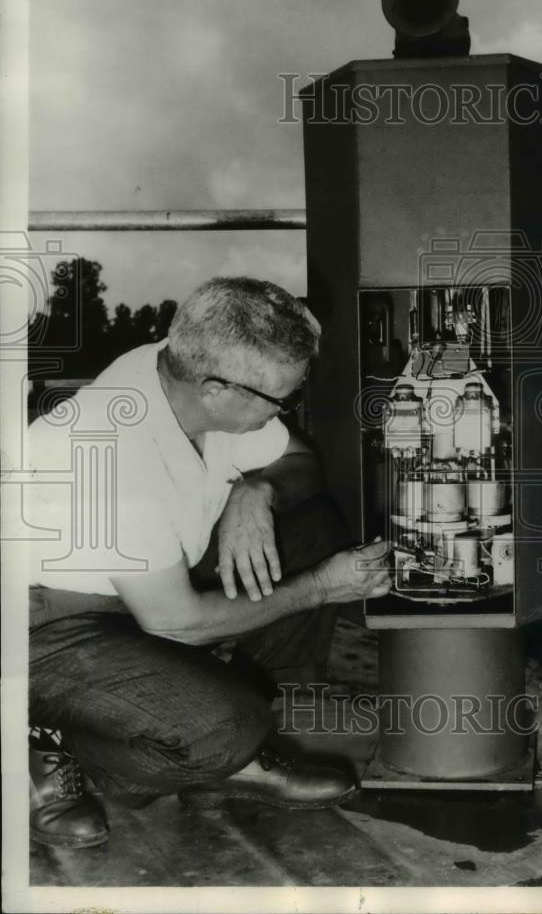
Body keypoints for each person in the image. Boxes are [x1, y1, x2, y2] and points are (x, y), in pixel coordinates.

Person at [25, 277, 392, 849]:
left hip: (140, 591)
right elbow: (175, 620)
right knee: (222, 730)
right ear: (218, 389)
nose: (286, 411)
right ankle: (53, 739)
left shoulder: (176, 372)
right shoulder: (109, 451)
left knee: (312, 528)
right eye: (283, 400)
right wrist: (320, 588)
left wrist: (259, 490)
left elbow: (301, 459)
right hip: (47, 628)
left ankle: (225, 738)